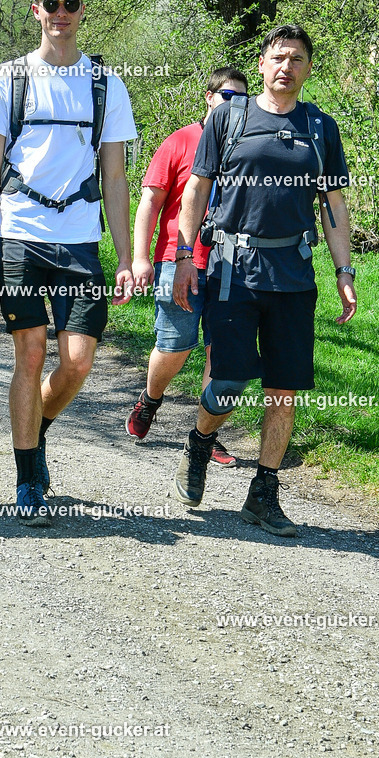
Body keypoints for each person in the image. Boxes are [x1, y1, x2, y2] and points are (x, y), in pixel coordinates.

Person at [172, 24, 357, 537]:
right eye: (278, 57)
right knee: (228, 383)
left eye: (296, 59)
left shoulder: (320, 128)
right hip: (233, 271)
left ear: (308, 68)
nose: (286, 67)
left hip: (294, 275)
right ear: (261, 64)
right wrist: (184, 255)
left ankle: (263, 493)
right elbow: (197, 189)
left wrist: (344, 271)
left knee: (283, 388)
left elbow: (333, 205)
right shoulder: (229, 118)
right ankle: (199, 442)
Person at [0, 0, 137, 525]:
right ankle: (27, 482)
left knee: (78, 363)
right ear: (36, 10)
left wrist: (127, 257)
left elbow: (115, 178)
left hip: (80, 240)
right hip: (20, 234)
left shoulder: (107, 85)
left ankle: (34, 431)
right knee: (30, 354)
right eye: (52, 4)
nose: (61, 13)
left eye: (71, 3)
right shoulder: (7, 78)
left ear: (82, 10)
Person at [126, 67, 249, 469]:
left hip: (231, 266)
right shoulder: (180, 141)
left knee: (222, 353)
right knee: (175, 347)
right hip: (178, 259)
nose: (234, 104)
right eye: (227, 96)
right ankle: (150, 399)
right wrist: (140, 257)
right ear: (209, 97)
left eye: (242, 99)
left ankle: (206, 435)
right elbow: (150, 202)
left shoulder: (248, 145)